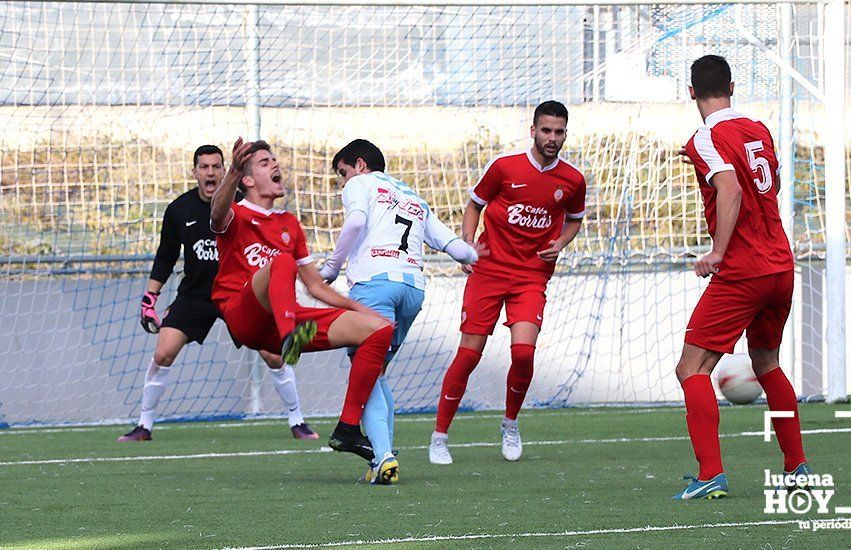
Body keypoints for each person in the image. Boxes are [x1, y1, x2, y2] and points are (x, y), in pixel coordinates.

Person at [209, 137, 395, 466]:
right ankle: (288, 337)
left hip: (288, 322)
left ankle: (348, 429)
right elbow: (217, 214)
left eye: (274, 161)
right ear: (247, 180)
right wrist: (232, 172)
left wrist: (360, 309)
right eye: (265, 163)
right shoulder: (236, 213)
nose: (275, 165)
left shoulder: (289, 224)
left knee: (378, 329)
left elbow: (315, 286)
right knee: (281, 263)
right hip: (245, 315)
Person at [672, 55, 809, 500]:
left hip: (743, 271)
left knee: (691, 367)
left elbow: (729, 187)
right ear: (732, 86)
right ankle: (797, 467)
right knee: (766, 363)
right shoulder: (758, 128)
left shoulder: (706, 136)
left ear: (691, 92)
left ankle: (710, 472)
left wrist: (717, 252)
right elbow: (769, 184)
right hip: (779, 265)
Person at [119, 145, 317, 442]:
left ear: (226, 170)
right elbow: (166, 256)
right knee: (163, 352)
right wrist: (150, 299)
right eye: (204, 167)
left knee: (273, 356)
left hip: (238, 293)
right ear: (195, 171)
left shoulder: (242, 206)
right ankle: (144, 425)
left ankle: (297, 420)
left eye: (216, 166)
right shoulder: (179, 210)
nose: (210, 172)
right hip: (196, 295)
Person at [428, 101, 587, 465]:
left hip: (531, 275)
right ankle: (439, 436)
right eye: (546, 130)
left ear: (565, 134)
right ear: (533, 131)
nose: (552, 138)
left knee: (524, 353)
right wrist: (468, 245)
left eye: (558, 131)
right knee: (469, 355)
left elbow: (575, 219)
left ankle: (510, 423)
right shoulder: (504, 167)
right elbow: (474, 204)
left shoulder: (572, 179)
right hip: (490, 270)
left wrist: (560, 242)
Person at [319, 139, 484, 484]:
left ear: (360, 165)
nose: (343, 183)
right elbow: (451, 244)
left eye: (343, 174)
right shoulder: (412, 197)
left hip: (374, 285)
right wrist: (470, 257)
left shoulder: (360, 184)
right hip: (412, 288)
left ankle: (384, 456)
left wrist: (332, 267)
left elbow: (354, 223)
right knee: (375, 374)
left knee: (365, 371)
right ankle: (381, 459)